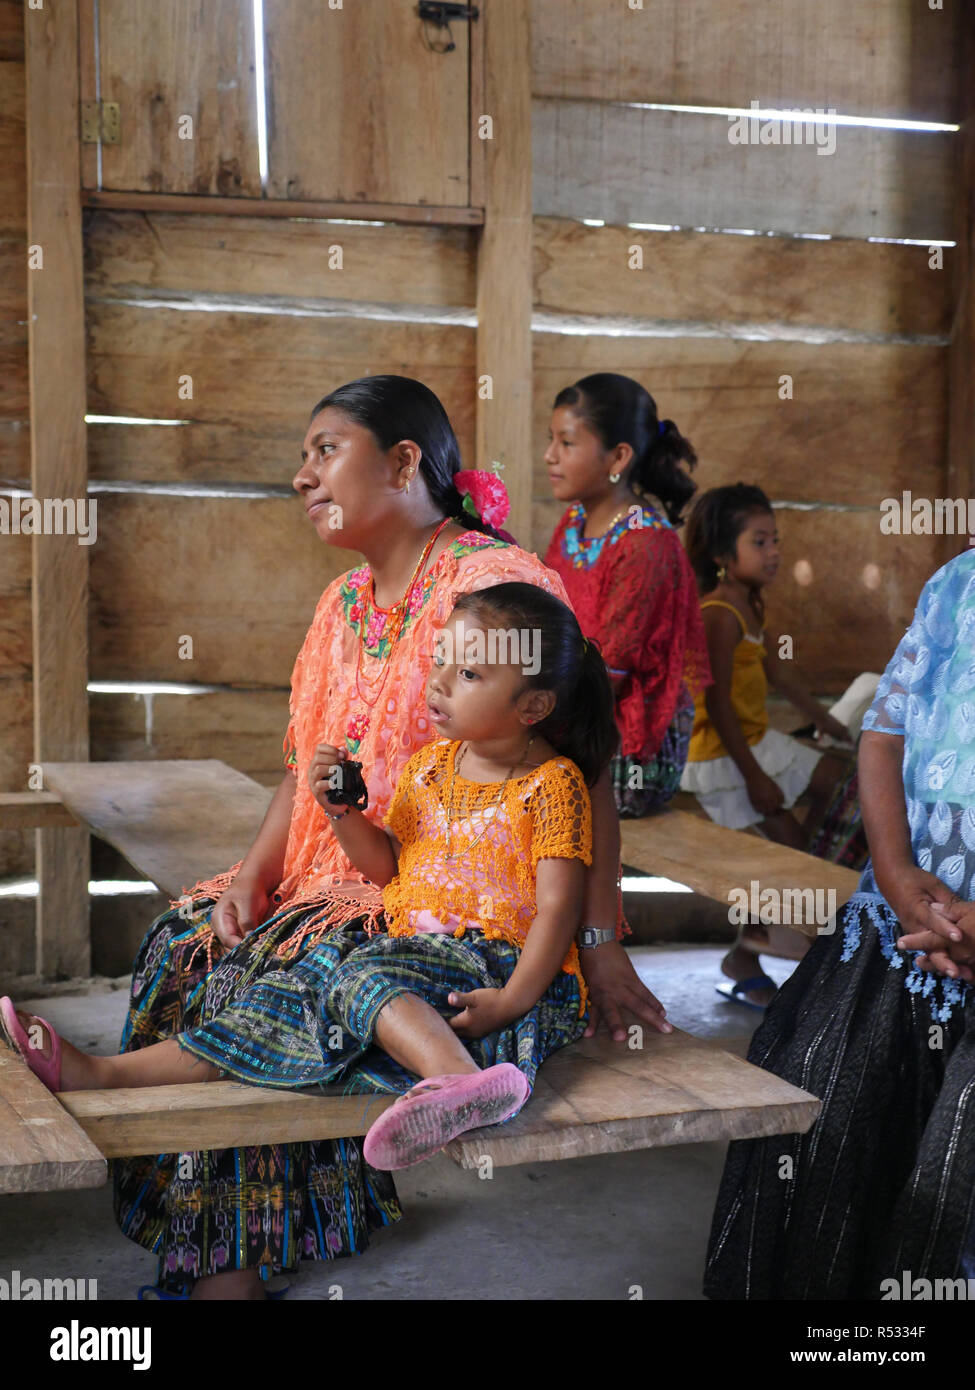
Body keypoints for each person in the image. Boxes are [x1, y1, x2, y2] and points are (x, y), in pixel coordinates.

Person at [18, 375, 667, 1301]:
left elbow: (586, 763)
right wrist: (252, 873)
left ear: (404, 462)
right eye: (305, 455)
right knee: (182, 943)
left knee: (255, 978)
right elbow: (305, 764)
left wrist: (598, 947)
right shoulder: (342, 602)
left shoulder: (493, 587)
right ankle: (238, 1238)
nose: (302, 476)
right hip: (343, 860)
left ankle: (226, 1270)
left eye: (326, 450)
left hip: (423, 897)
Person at [2, 585, 619, 1174]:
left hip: (502, 969)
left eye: (469, 675)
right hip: (421, 957)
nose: (437, 682)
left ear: (533, 706)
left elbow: (557, 909)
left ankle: (459, 1083)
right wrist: (342, 813)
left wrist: (513, 1002)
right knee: (290, 990)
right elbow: (389, 867)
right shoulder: (431, 769)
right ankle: (103, 1074)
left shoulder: (553, 785)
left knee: (360, 974)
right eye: (441, 661)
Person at [704, 548, 975, 1298]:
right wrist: (893, 873)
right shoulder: (958, 583)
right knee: (821, 1113)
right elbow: (883, 734)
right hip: (906, 921)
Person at [682, 484, 849, 1007]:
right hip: (722, 752)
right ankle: (759, 949)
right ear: (721, 555)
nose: (774, 552)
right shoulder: (717, 614)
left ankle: (763, 940)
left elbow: (777, 672)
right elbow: (718, 705)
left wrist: (827, 718)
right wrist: (755, 776)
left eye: (775, 540)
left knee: (838, 781)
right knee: (787, 857)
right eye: (760, 542)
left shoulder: (748, 605)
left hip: (755, 737)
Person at [543, 373, 711, 816]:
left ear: (617, 456)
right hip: (574, 715)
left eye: (567, 443)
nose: (550, 456)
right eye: (551, 440)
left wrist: (528, 713)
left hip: (628, 747)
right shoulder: (574, 524)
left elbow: (608, 672)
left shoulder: (645, 543)